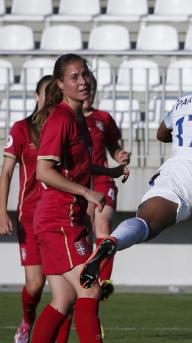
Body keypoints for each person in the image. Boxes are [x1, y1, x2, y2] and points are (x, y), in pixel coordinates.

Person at [79, 38, 192, 343]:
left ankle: (114, 240)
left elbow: (162, 133)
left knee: (147, 222)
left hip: (176, 169)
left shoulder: (182, 101)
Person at [30, 53, 127, 343]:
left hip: (63, 219)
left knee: (63, 299)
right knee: (91, 288)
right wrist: (86, 191)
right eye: (74, 77)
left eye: (85, 74)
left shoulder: (77, 119)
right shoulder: (60, 118)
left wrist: (110, 169)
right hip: (57, 220)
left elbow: (78, 165)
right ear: (60, 84)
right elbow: (43, 171)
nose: (83, 81)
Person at [0, 75, 76, 343]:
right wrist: (2, 213)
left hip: (60, 214)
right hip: (30, 216)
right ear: (37, 96)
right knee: (35, 284)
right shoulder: (22, 128)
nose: (52, 99)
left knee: (67, 291)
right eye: (47, 94)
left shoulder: (62, 126)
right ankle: (27, 320)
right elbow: (6, 172)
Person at [83, 75, 131, 300]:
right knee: (82, 232)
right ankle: (86, 281)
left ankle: (104, 280)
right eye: (85, 86)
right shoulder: (64, 117)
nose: (88, 91)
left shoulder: (103, 118)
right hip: (77, 182)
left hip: (102, 180)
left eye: (92, 88)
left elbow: (114, 146)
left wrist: (118, 155)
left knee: (102, 225)